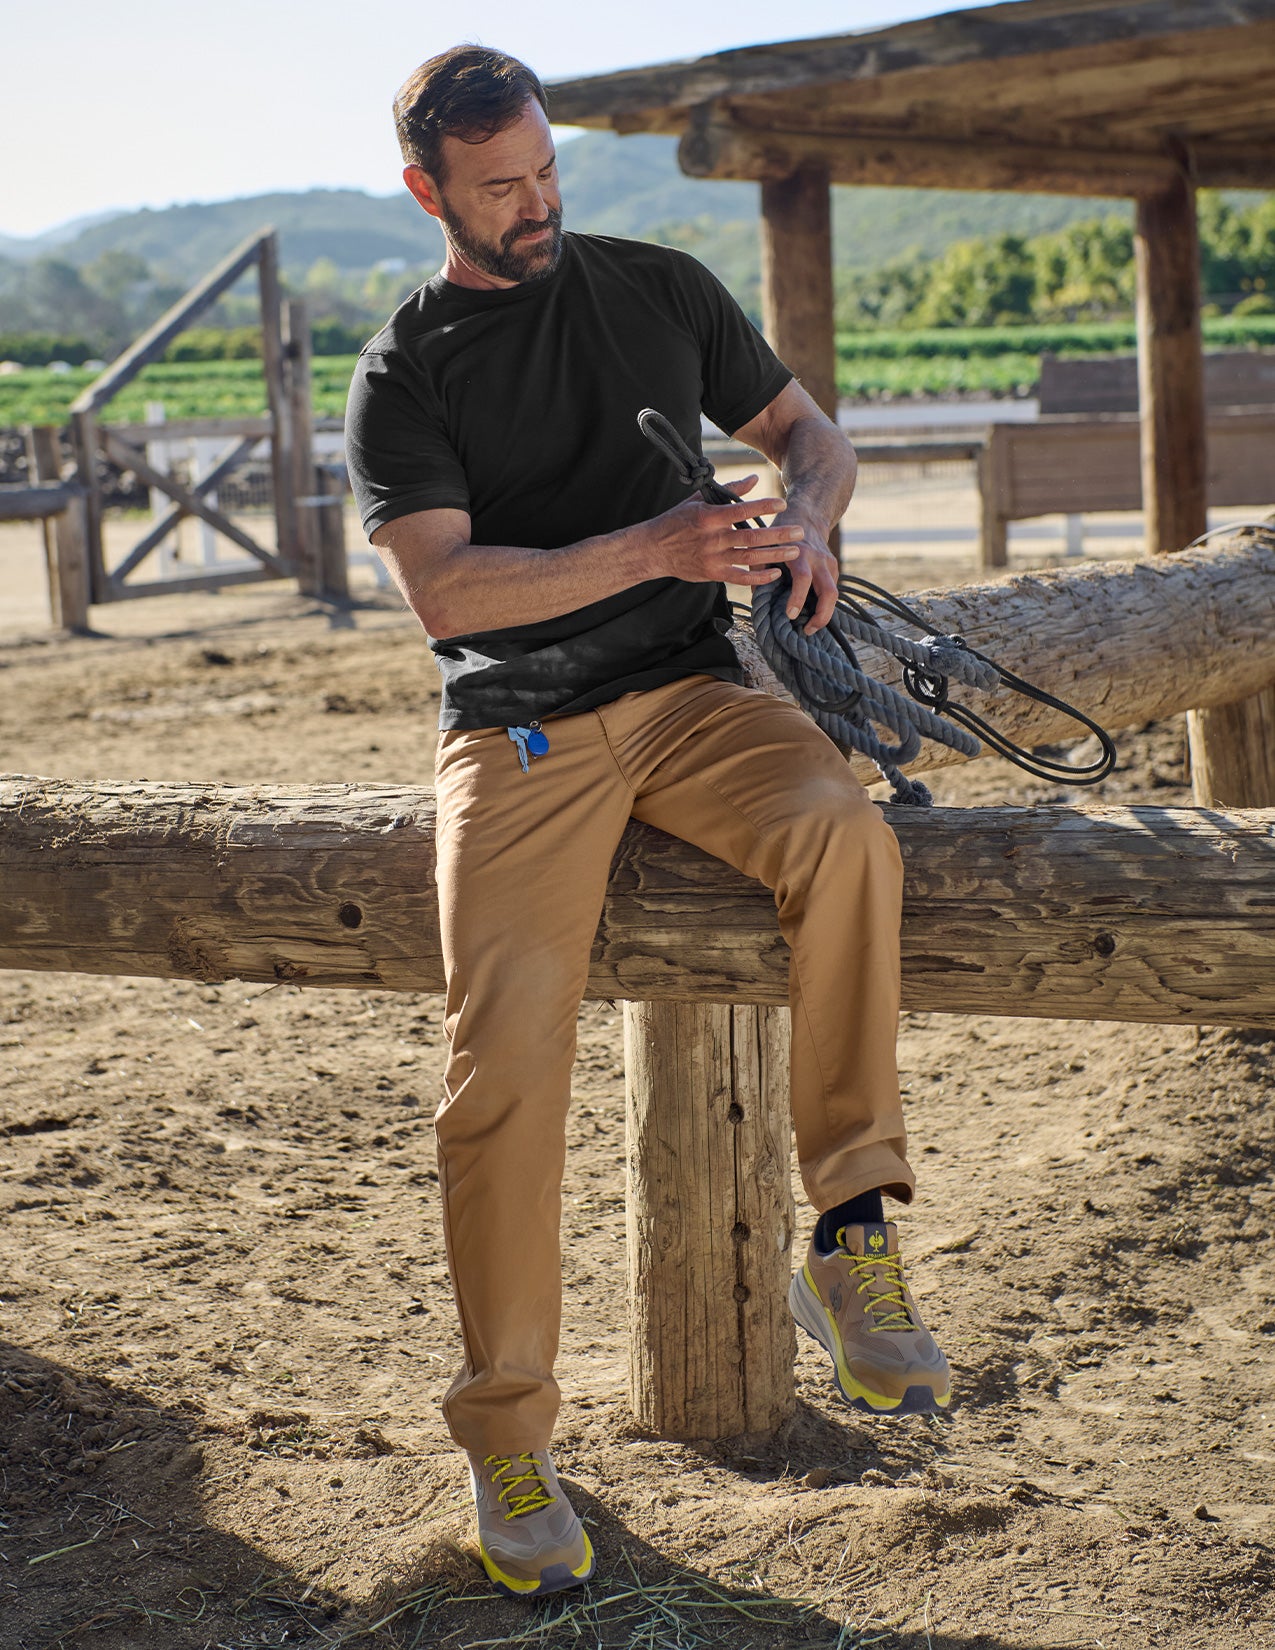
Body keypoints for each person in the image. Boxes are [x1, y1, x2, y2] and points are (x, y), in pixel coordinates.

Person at [345, 44, 951, 1600]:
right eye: (502, 189)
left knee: (843, 830)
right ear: (431, 193)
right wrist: (662, 538)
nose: (538, 204)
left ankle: (851, 1231)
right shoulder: (404, 372)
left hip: (693, 696)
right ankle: (508, 1434)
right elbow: (447, 590)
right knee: (506, 1053)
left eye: (546, 172)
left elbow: (812, 433)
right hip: (520, 734)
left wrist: (805, 516)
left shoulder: (662, 286)